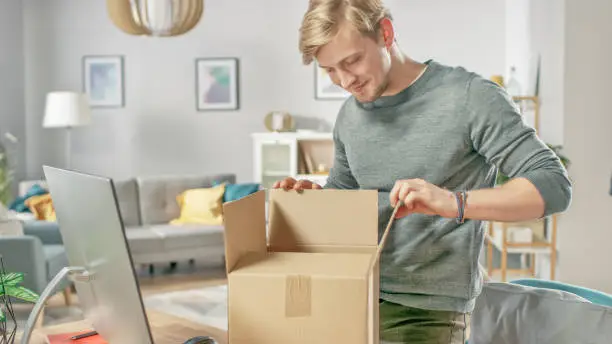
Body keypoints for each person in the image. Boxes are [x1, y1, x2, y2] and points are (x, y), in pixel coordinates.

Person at [273, 0, 572, 343]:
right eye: (330, 70)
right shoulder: (349, 117)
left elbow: (553, 184)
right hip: (350, 292)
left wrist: (452, 202)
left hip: (425, 311)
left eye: (352, 61)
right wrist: (313, 199)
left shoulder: (469, 97)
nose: (344, 81)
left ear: (385, 33)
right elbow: (345, 195)